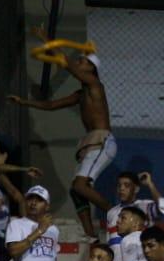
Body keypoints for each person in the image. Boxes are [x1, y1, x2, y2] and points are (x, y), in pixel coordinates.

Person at [9, 52, 113, 240]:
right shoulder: (81, 94)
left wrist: (54, 48)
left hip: (102, 141)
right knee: (76, 190)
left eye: (82, 61)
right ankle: (91, 235)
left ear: (92, 68)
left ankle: (116, 213)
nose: (77, 63)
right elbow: (51, 105)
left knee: (80, 186)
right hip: (92, 143)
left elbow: (70, 67)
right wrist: (24, 102)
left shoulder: (96, 85)